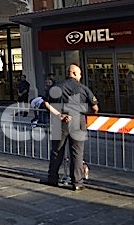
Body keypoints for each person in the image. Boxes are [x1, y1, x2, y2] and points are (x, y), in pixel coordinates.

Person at [41, 63, 99, 191]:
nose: (80, 76)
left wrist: (58, 114)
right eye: (79, 73)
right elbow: (95, 107)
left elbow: (45, 102)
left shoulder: (57, 86)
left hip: (59, 121)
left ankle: (53, 179)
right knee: (77, 153)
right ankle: (77, 183)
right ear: (73, 73)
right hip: (78, 120)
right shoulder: (83, 88)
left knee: (57, 151)